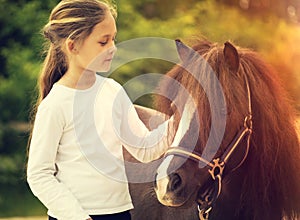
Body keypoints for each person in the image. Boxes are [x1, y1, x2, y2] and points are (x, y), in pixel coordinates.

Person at [26, 1, 176, 219]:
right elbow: (39, 175)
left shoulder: (112, 91)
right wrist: (78, 217)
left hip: (120, 212)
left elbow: (145, 149)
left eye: (113, 39)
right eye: (103, 41)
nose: (112, 48)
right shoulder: (56, 104)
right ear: (72, 46)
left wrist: (182, 119)